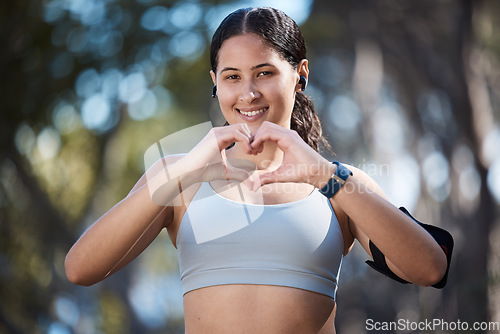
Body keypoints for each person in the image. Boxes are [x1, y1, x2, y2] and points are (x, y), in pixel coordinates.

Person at [65, 7, 451, 333]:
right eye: (232, 77)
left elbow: (429, 268)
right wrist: (183, 173)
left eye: (264, 73)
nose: (248, 93)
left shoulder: (337, 183)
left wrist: (326, 177)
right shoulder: (177, 176)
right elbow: (81, 269)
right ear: (216, 82)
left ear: (300, 74)